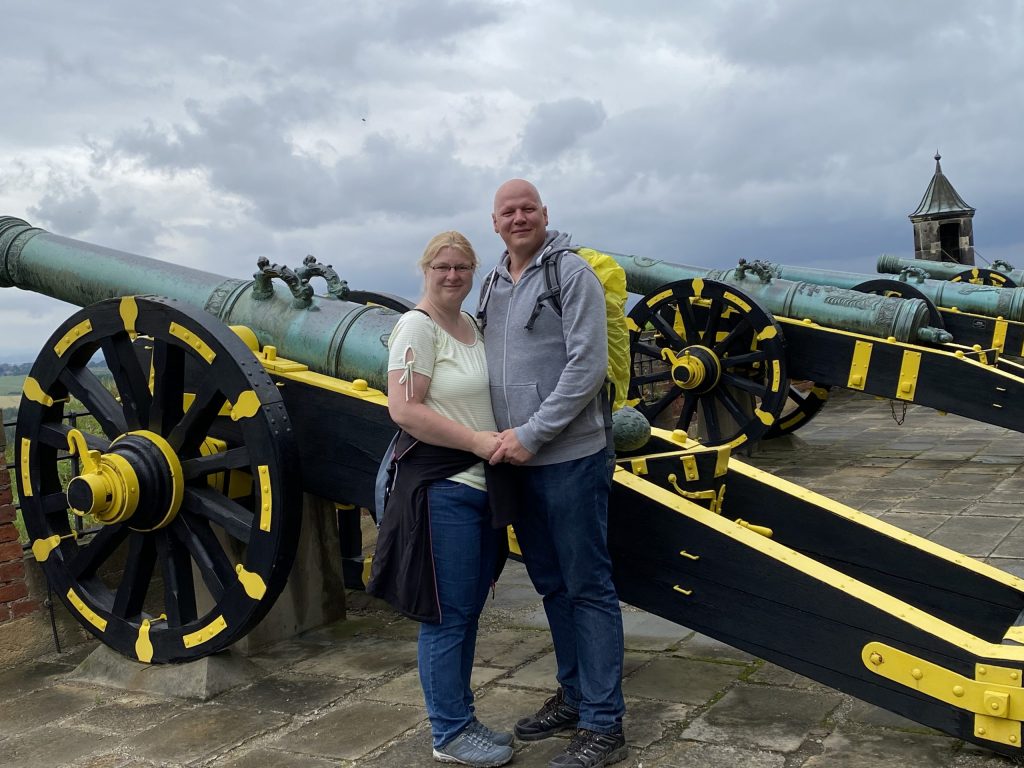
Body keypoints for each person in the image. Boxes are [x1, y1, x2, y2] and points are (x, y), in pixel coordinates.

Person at [479, 180, 627, 768]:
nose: (518, 218)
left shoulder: (571, 273)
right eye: (507, 212)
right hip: (517, 461)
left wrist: (533, 433)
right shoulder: (492, 284)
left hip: (569, 457)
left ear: (544, 214)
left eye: (527, 209)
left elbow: (587, 367)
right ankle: (576, 694)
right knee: (552, 584)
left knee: (588, 587)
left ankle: (604, 724)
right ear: (494, 223)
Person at [368, 231, 514, 768]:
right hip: (443, 489)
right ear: (425, 270)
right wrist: (476, 442)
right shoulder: (418, 327)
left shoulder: (470, 326)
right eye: (442, 267)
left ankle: (463, 718)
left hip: (481, 487)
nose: (452, 275)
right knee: (446, 616)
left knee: (467, 612)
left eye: (462, 267)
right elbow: (404, 410)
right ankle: (448, 732)